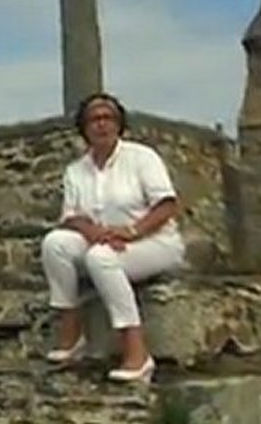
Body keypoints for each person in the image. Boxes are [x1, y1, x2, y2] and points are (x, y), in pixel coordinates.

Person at [40, 92, 185, 383]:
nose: (102, 125)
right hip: (105, 240)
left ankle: (137, 352)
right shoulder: (76, 170)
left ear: (119, 124)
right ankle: (71, 333)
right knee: (54, 244)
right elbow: (71, 215)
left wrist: (131, 232)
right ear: (84, 128)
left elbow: (167, 205)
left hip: (153, 241)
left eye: (108, 118)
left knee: (101, 258)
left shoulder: (142, 157)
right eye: (94, 119)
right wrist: (95, 233)